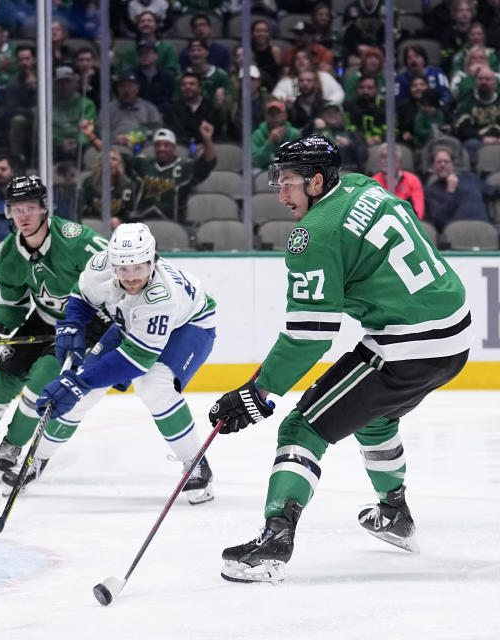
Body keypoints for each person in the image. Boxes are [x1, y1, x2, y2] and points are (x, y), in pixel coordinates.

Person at [209, 135, 470, 584]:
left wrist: (258, 392)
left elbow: (310, 336)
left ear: (315, 181)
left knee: (302, 426)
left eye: (288, 181)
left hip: (407, 347)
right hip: (454, 337)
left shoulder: (312, 235)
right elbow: (395, 226)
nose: (280, 193)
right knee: (374, 415)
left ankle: (274, 541)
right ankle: (394, 513)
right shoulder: (360, 185)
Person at [12, 222, 217, 503]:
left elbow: (137, 359)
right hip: (132, 323)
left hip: (190, 325)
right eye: (123, 269)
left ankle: (195, 462)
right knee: (81, 391)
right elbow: (82, 297)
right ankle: (37, 458)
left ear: (152, 261)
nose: (131, 277)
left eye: (139, 268)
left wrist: (80, 381)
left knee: (153, 385)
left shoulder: (162, 296)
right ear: (113, 265)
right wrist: (72, 324)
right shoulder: (100, 266)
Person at [0, 175, 110, 474]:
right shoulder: (8, 255)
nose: (22, 216)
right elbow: (14, 306)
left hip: (83, 325)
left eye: (29, 208)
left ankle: (13, 443)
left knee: (41, 380)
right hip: (43, 321)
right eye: (16, 209)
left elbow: (119, 271)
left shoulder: (76, 240)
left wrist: (110, 320)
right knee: (1, 380)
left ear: (44, 208)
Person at [130, 124, 216, 223]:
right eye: (158, 145)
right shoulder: (142, 164)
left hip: (173, 225)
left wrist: (207, 140)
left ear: (174, 147)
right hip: (141, 222)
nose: (162, 148)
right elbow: (118, 162)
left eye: (166, 145)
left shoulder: (186, 167)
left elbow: (208, 163)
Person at [425, 146, 500, 232]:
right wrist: (450, 191)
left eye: (446, 161)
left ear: (452, 164)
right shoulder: (430, 191)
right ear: (433, 166)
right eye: (439, 162)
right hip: (458, 235)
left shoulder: (469, 177)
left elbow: (492, 191)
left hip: (482, 229)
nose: (443, 164)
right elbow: (439, 220)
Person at [371, 143, 425, 220]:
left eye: (391, 157)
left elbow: (418, 213)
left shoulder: (413, 180)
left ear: (399, 161)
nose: (387, 160)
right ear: (379, 161)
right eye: (384, 157)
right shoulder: (373, 182)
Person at [252, 101, 301, 171]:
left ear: (285, 115)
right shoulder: (257, 134)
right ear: (266, 116)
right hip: (263, 173)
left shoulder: (293, 134)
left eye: (278, 113)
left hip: (287, 172)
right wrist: (269, 142)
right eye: (271, 113)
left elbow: (297, 160)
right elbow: (256, 162)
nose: (274, 116)